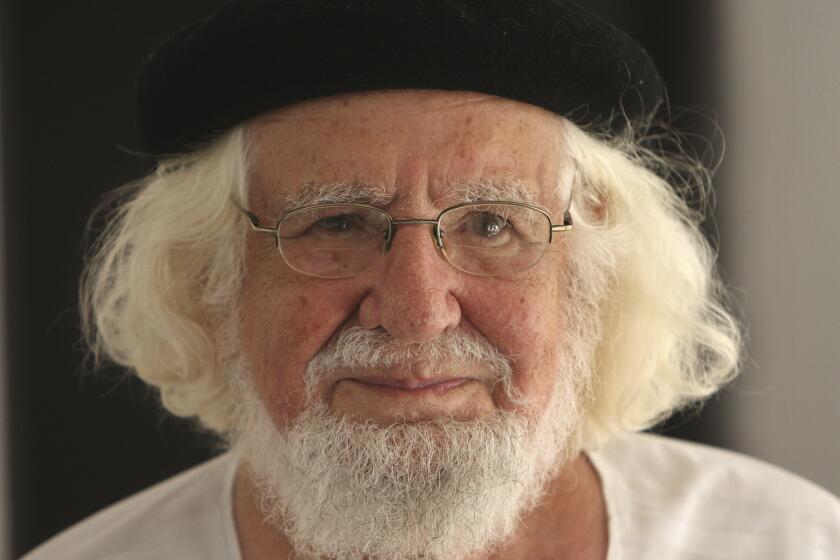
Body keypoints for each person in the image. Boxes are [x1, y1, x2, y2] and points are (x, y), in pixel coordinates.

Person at [24, 1, 840, 559]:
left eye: (492, 225)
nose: (417, 312)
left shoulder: (791, 543)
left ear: (594, 281)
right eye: (336, 224)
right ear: (214, 281)